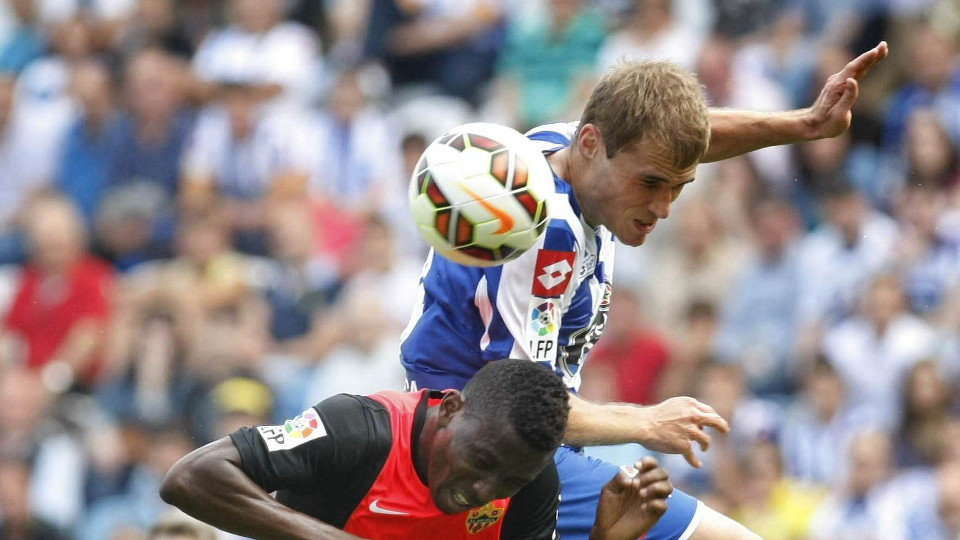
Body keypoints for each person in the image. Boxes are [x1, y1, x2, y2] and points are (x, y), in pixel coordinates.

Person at [401, 43, 888, 540]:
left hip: (513, 445)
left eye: (679, 186)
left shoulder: (563, 146)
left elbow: (685, 140)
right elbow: (519, 410)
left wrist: (805, 124)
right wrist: (646, 423)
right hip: (478, 452)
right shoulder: (547, 242)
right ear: (590, 146)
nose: (664, 207)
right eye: (651, 184)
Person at [159, 359, 674, 539]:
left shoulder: (532, 482)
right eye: (482, 464)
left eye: (506, 483)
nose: (483, 491)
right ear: (450, 409)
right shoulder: (358, 430)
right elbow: (190, 477)